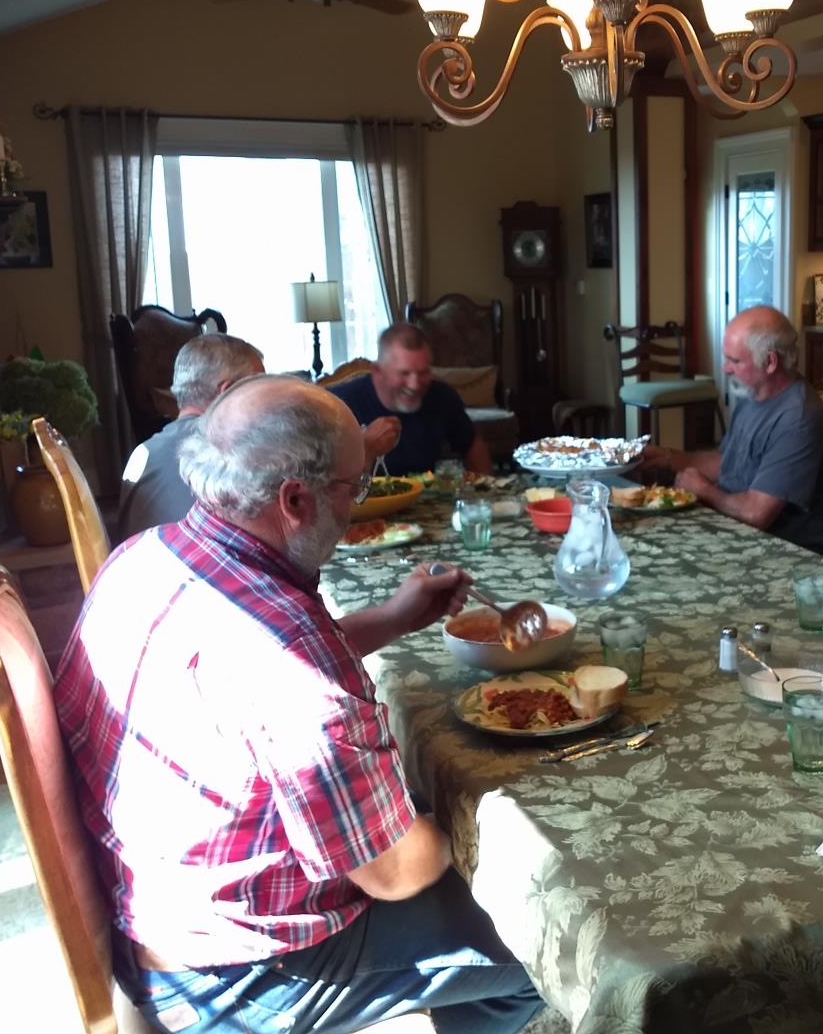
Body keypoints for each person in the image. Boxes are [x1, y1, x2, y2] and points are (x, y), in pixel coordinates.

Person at [55, 375, 543, 1033]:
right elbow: (394, 872)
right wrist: (467, 821)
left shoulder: (148, 556)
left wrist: (394, 617)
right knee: (538, 937)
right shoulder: (294, 664)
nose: (355, 504)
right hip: (239, 978)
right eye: (354, 487)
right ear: (294, 499)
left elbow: (242, 679)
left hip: (160, 904)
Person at [645, 306, 823, 558]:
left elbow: (755, 514)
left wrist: (705, 490)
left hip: (784, 555)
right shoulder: (753, 395)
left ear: (770, 362)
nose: (726, 369)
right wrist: (664, 457)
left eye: (735, 361)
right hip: (735, 535)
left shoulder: (798, 419)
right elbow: (727, 462)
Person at [116, 332, 262, 540]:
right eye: (258, 389)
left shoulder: (142, 453)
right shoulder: (235, 454)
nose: (266, 405)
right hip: (200, 570)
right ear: (228, 393)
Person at [329, 324, 491, 477]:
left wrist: (486, 496)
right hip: (360, 503)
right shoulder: (336, 404)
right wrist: (366, 447)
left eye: (423, 373)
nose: (414, 385)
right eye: (404, 373)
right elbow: (317, 475)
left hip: (426, 499)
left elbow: (472, 445)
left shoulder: (442, 396)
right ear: (378, 371)